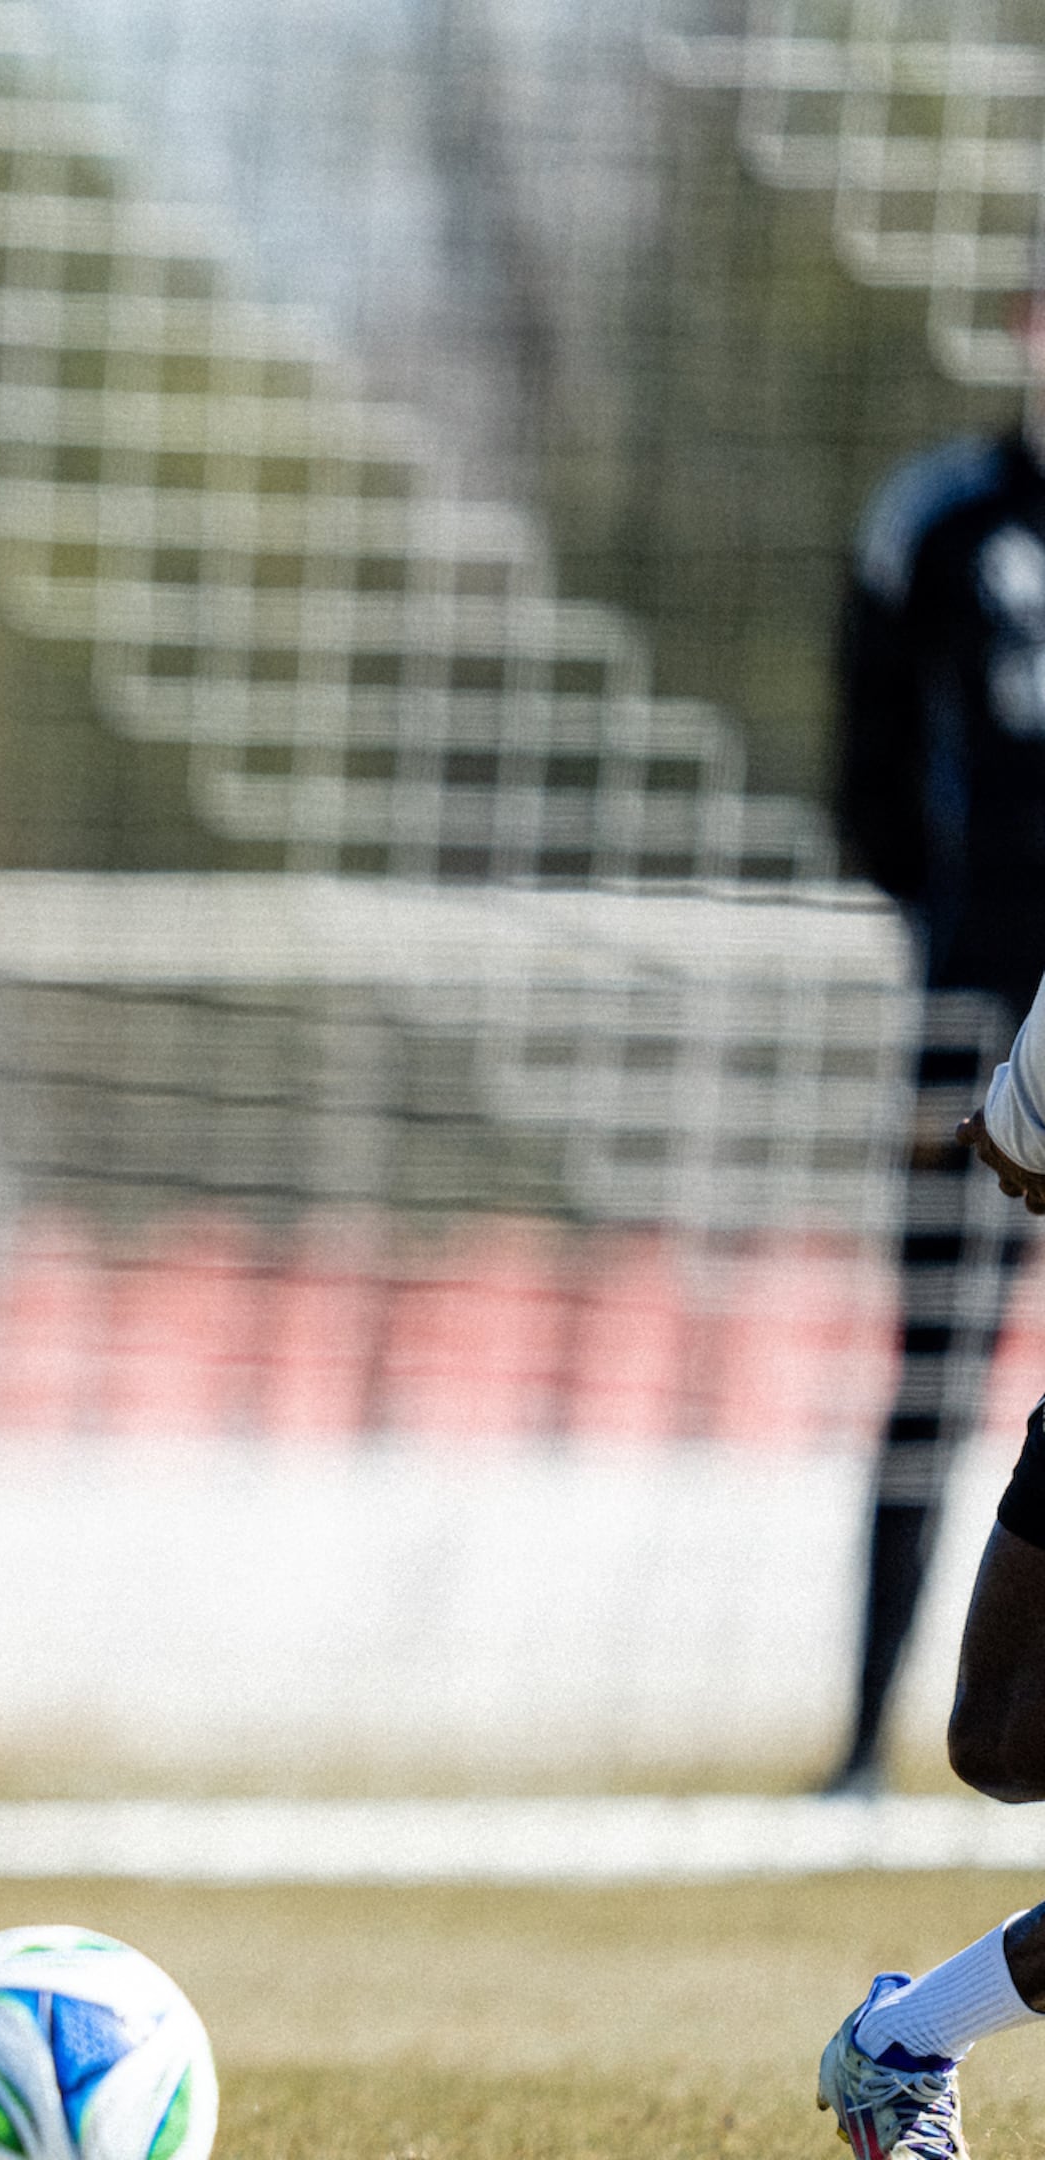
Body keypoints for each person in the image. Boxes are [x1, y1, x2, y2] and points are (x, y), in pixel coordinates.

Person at [824, 286, 1045, 1802]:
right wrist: (955, 930)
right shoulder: (943, 520)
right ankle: (861, 1747)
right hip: (981, 1012)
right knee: (936, 1371)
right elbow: (871, 760)